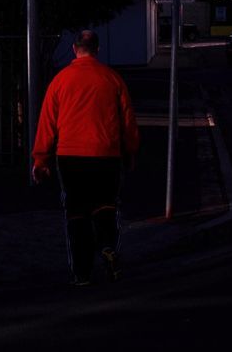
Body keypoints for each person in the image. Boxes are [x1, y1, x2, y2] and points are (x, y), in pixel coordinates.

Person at [32, 29, 139, 286]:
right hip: (106, 154)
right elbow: (128, 123)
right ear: (98, 50)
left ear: (74, 49)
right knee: (106, 205)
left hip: (70, 156)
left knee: (77, 212)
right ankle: (107, 246)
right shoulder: (112, 79)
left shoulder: (60, 80)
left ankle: (82, 272)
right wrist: (130, 152)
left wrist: (40, 160)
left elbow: (47, 123)